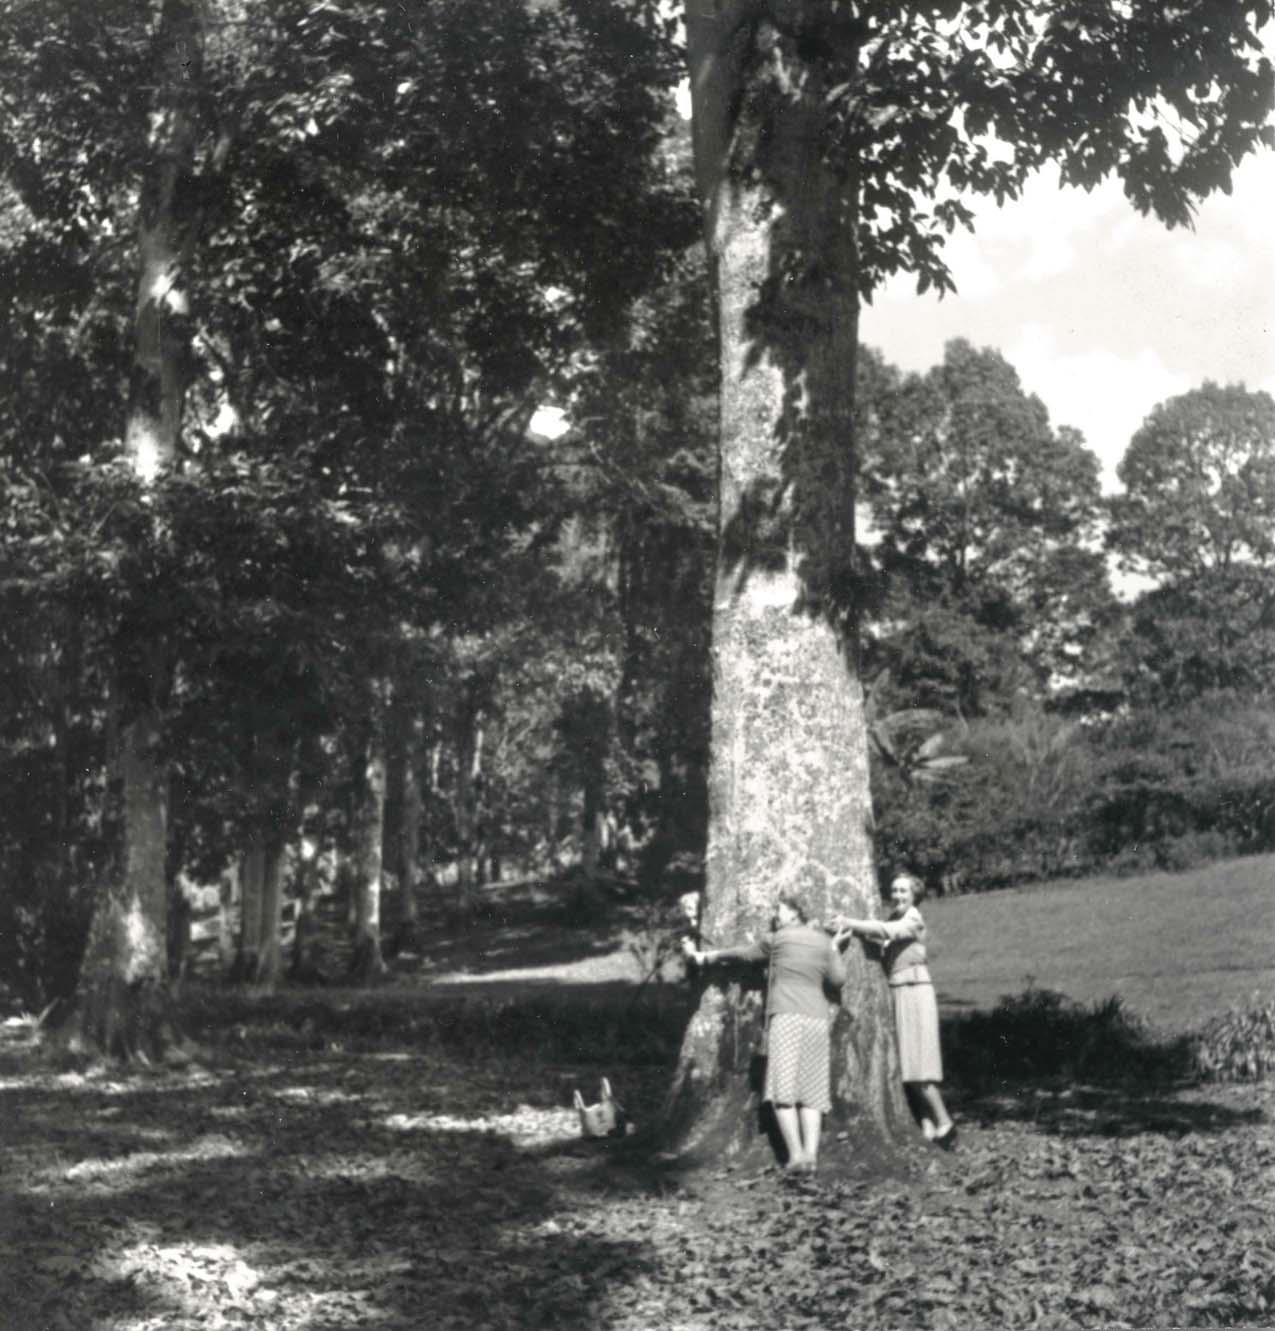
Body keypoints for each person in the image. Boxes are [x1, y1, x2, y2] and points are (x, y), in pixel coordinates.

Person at [683, 892, 847, 1174]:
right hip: (816, 1021)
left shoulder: (777, 939)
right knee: (811, 1091)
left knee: (782, 1089)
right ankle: (811, 1155)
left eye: (780, 910)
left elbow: (742, 955)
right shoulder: (822, 941)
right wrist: (833, 948)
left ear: (795, 913)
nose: (775, 915)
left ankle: (796, 1155)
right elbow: (838, 980)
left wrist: (704, 957)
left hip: (786, 1017)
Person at [833, 873, 957, 1149]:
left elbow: (885, 932)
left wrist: (849, 922)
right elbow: (882, 936)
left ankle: (945, 1122)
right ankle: (926, 1124)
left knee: (921, 1063)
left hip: (915, 990)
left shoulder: (912, 920)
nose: (898, 895)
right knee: (908, 1063)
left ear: (914, 896)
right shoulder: (894, 920)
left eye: (904, 891)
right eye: (894, 890)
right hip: (900, 991)